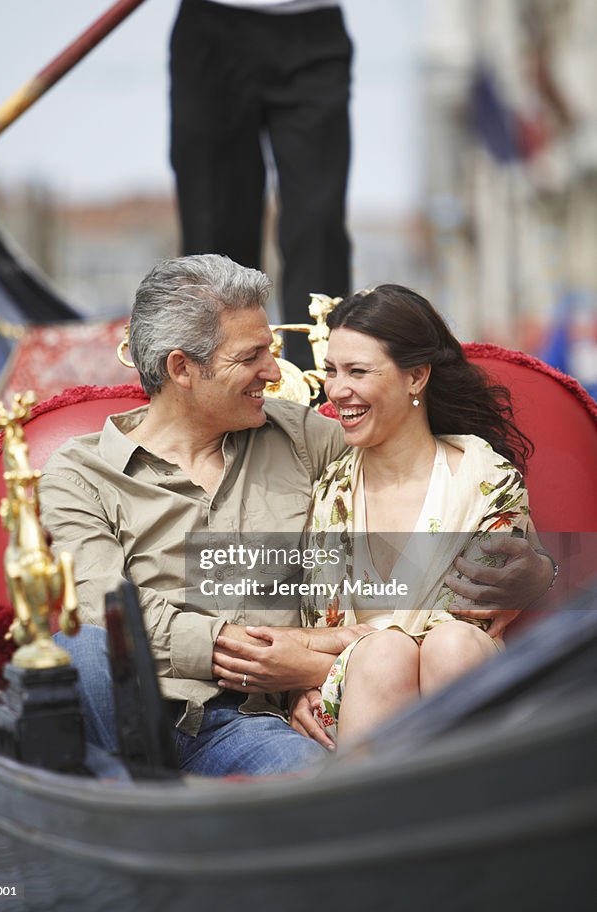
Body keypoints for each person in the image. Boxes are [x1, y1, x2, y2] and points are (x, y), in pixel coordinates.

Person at [40, 258, 555, 773]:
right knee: (84, 645)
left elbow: (427, 477)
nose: (275, 370)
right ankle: (119, 800)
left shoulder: (299, 437)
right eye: (252, 356)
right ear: (182, 370)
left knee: (309, 780)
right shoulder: (79, 471)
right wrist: (244, 646)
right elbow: (99, 606)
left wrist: (540, 572)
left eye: (271, 349)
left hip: (246, 722)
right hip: (127, 709)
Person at [83, 0, 378, 367]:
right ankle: (218, 384)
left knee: (318, 226)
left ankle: (321, 392)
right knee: (214, 231)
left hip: (315, 22)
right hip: (211, 23)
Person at [248, 284, 536, 747]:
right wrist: (314, 674)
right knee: (385, 655)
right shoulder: (330, 487)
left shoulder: (487, 479)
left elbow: (465, 620)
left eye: (357, 371)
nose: (336, 391)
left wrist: (310, 653)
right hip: (349, 699)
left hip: (456, 682)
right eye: (331, 371)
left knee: (450, 644)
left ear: (416, 377)